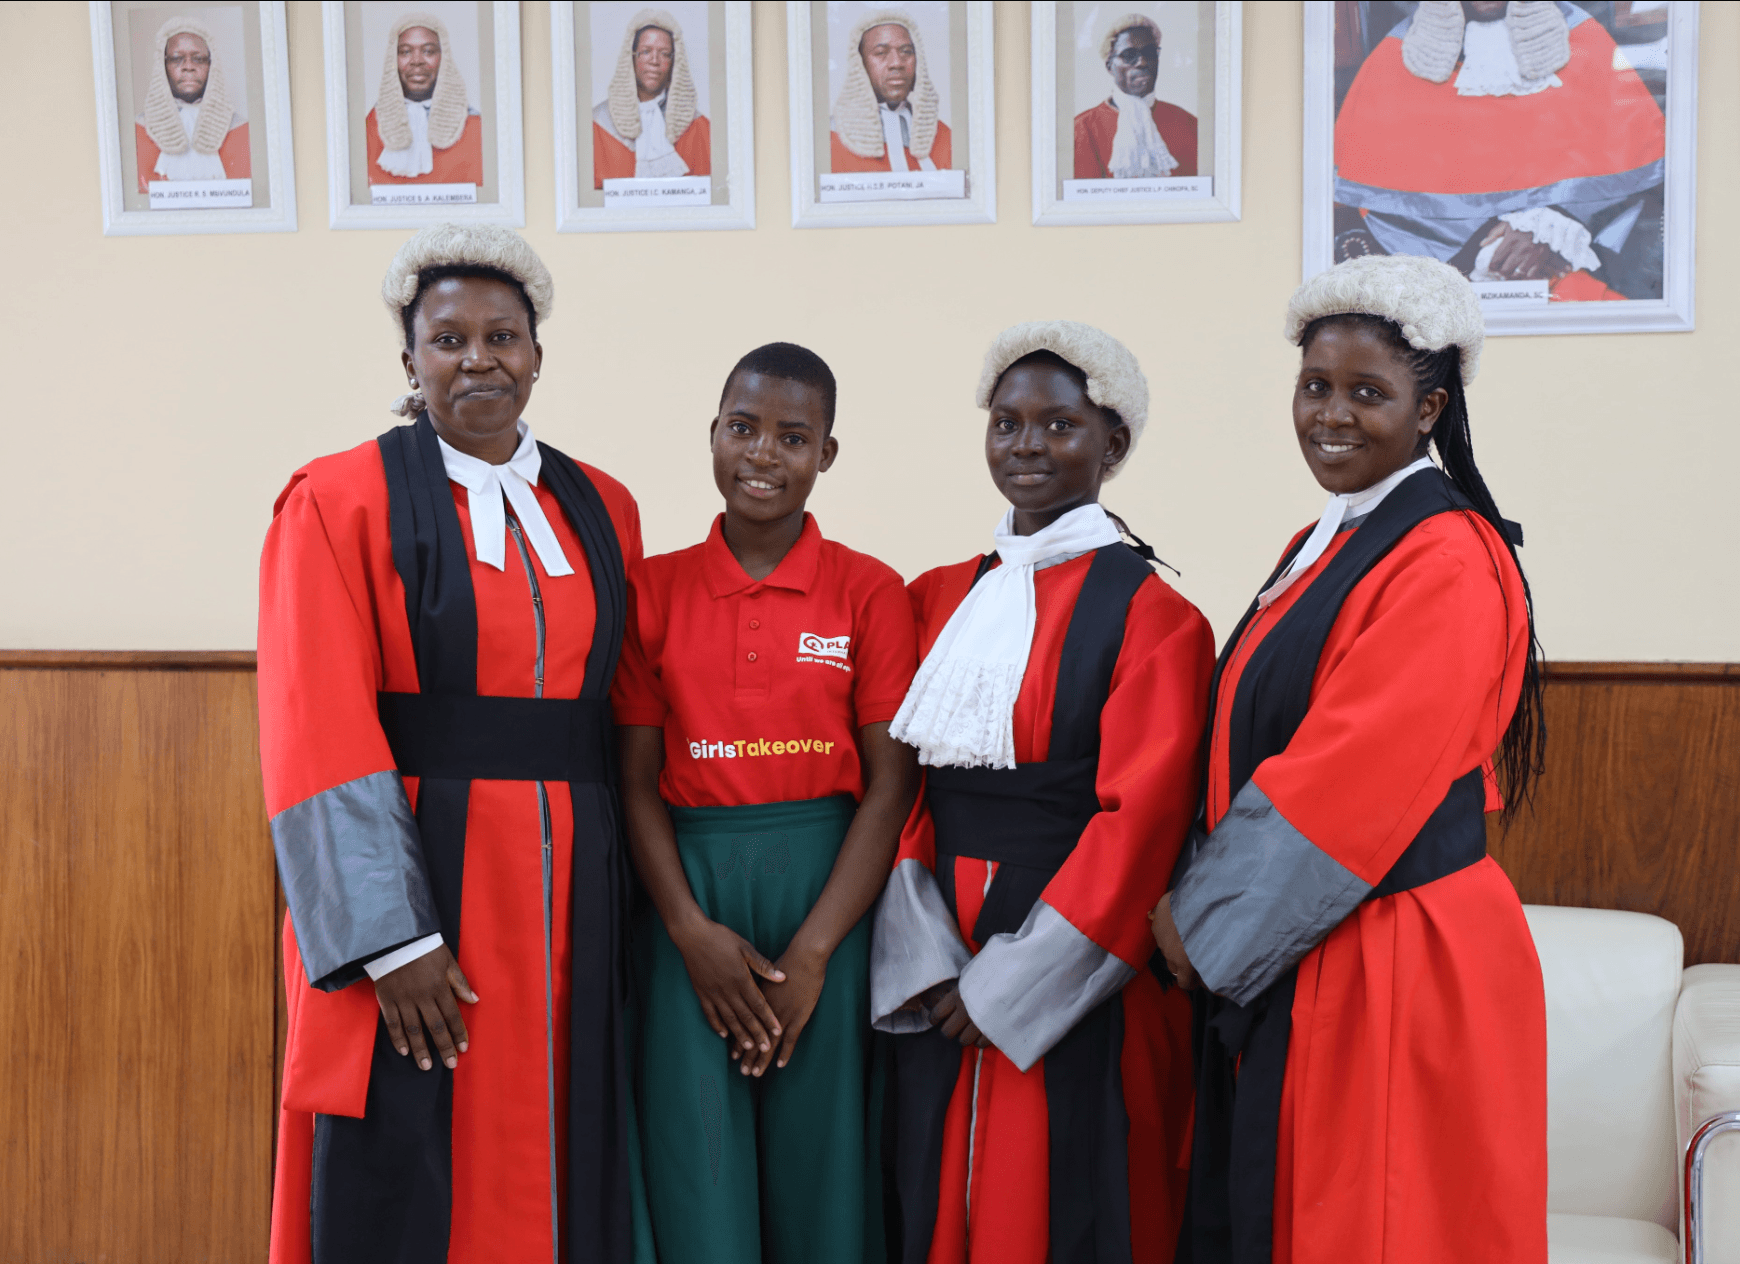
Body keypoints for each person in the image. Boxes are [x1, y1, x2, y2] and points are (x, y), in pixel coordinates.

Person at [1151, 254, 1549, 1264]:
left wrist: (1199, 924)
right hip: (1314, 933)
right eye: (1315, 386)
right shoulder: (1324, 537)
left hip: (1394, 954)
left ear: (1429, 409)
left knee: (1377, 1225)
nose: (1332, 414)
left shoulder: (1449, 553)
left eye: (1367, 392)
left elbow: (1352, 769)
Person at [260, 224, 646, 1264]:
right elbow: (314, 727)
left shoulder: (602, 505)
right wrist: (393, 937)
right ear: (409, 360)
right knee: (412, 1147)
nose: (478, 357)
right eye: (448, 338)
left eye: (502, 335)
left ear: (536, 352)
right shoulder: (336, 501)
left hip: (572, 898)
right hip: (421, 889)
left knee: (561, 1140)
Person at [876, 321, 1214, 1264]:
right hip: (938, 943)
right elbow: (901, 790)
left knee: (1064, 1198)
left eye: (1059, 426)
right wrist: (928, 956)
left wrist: (1012, 983)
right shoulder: (935, 595)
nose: (1028, 446)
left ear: (1113, 446)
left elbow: (1141, 822)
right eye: (1007, 423)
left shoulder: (1158, 617)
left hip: (1075, 963)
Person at [614, 343, 920, 1264]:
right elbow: (633, 779)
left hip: (827, 895)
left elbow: (892, 781)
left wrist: (818, 953)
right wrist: (688, 932)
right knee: (691, 1157)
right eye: (743, 428)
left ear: (827, 454)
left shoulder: (870, 591)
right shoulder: (651, 589)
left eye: (794, 436)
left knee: (821, 1167)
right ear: (712, 433)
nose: (763, 454)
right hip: (689, 900)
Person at [1332, 0, 1665, 301]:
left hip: (1567, 268)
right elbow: (1376, 194)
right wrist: (1481, 252)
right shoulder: (1399, 54)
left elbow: (1633, 170)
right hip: (1444, 282)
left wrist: (1551, 228)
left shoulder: (1582, 39)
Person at [593, 9, 712, 186]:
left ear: (674, 62)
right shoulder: (597, 125)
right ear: (631, 58)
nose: (654, 61)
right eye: (646, 51)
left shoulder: (699, 127)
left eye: (664, 53)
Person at [1073, 13, 1198, 180]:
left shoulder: (1188, 123)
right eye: (1129, 55)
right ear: (1110, 66)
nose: (1142, 62)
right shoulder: (1082, 128)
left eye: (1150, 52)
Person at [366, 13, 484, 186]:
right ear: (393, 60)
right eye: (405, 51)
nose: (417, 61)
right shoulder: (370, 126)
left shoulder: (475, 127)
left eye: (428, 51)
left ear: (444, 58)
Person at [135, 15, 251, 192]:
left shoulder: (239, 129)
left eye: (198, 58)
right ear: (162, 65)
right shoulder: (139, 129)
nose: (188, 66)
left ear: (211, 65)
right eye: (176, 58)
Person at [830, 11, 953, 174]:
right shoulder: (831, 139)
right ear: (860, 63)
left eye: (906, 51)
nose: (897, 63)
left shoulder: (945, 137)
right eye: (881, 52)